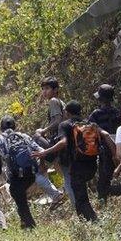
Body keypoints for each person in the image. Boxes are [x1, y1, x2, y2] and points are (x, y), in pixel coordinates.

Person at [35, 101, 111, 222]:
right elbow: (106, 135)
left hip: (77, 166)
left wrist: (45, 152)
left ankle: (93, 222)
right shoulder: (90, 123)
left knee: (81, 197)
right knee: (80, 194)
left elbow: (63, 142)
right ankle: (84, 220)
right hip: (92, 164)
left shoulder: (65, 125)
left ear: (67, 112)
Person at [0, 116, 42, 229]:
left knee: (18, 197)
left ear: (1, 127)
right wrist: (41, 167)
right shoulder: (24, 136)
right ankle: (25, 223)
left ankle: (29, 224)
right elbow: (40, 150)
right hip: (31, 173)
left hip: (15, 174)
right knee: (20, 197)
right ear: (15, 126)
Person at [33, 76, 71, 207]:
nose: (44, 91)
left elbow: (58, 121)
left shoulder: (54, 101)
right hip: (62, 141)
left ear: (55, 90)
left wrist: (43, 131)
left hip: (57, 141)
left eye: (47, 88)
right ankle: (64, 196)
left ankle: (55, 195)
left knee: (36, 137)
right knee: (63, 172)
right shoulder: (60, 102)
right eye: (43, 89)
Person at [88, 84, 121, 201]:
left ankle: (103, 200)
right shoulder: (118, 112)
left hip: (105, 151)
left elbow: (89, 130)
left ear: (100, 99)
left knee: (103, 180)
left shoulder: (95, 114)